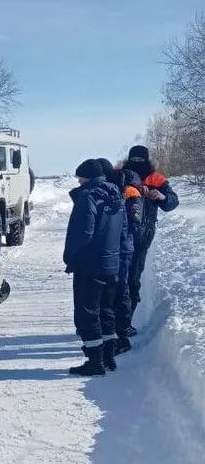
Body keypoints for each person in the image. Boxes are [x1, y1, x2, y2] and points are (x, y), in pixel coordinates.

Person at [63, 159, 125, 376]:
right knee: (106, 310)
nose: (78, 181)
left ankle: (94, 362)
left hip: (90, 264)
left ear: (87, 177)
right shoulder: (116, 196)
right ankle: (109, 357)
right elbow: (122, 231)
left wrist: (70, 257)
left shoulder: (87, 197)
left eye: (80, 177)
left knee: (87, 314)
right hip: (111, 264)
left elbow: (84, 233)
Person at [121, 145, 179, 336]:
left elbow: (172, 201)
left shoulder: (156, 179)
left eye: (140, 160)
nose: (137, 163)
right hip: (119, 235)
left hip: (143, 237)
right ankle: (110, 323)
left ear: (146, 160)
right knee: (115, 280)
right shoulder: (119, 174)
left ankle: (125, 323)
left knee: (133, 279)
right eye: (133, 159)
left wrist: (161, 196)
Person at [97, 158, 143, 356]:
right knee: (108, 293)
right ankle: (109, 333)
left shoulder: (129, 191)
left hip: (123, 249)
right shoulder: (108, 190)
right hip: (109, 249)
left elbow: (134, 223)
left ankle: (122, 337)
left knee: (121, 291)